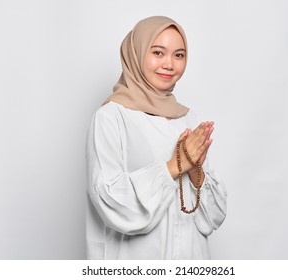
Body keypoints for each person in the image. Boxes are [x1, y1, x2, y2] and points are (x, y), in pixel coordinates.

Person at [86, 16, 227, 260]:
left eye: (179, 55)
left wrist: (195, 172)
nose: (169, 64)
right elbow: (110, 202)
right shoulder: (111, 117)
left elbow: (212, 218)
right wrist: (175, 165)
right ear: (137, 53)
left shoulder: (189, 119)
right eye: (158, 52)